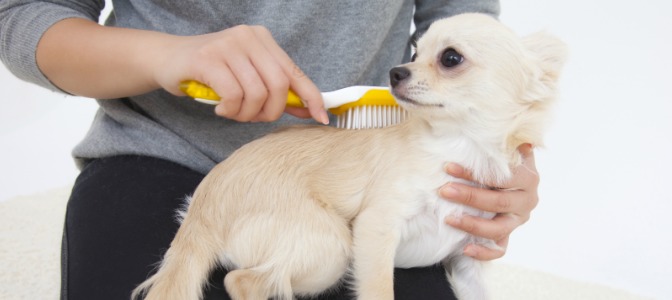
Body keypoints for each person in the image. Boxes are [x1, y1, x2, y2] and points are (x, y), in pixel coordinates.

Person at [0, 0, 540, 299]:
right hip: (157, 151)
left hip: (357, 170)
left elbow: (467, 30)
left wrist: (502, 154)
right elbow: (23, 16)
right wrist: (164, 54)